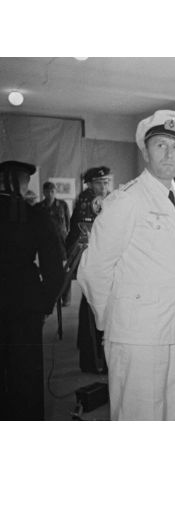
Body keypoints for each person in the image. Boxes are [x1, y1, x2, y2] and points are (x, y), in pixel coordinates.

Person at [77, 110, 175, 420]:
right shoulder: (127, 199)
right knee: (138, 414)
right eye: (160, 145)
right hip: (136, 334)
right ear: (145, 151)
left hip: (173, 327)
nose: (169, 154)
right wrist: (114, 319)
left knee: (173, 411)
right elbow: (93, 270)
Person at [0, 161, 64, 420]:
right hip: (24, 303)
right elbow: (53, 266)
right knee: (25, 372)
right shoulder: (34, 214)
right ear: (20, 183)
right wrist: (46, 302)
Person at [67, 166, 112, 373]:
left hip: (105, 264)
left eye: (106, 182)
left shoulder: (109, 199)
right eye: (99, 183)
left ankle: (93, 356)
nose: (104, 186)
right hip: (93, 266)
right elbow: (79, 235)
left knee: (95, 310)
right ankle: (94, 361)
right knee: (92, 310)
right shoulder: (88, 202)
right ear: (90, 184)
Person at [38, 181, 71, 305]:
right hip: (45, 245)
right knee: (47, 271)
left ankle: (65, 298)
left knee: (64, 271)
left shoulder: (62, 205)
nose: (50, 194)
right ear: (44, 192)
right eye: (47, 191)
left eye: (52, 191)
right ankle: (51, 297)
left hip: (61, 244)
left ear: (55, 192)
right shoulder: (39, 207)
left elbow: (68, 224)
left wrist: (65, 237)